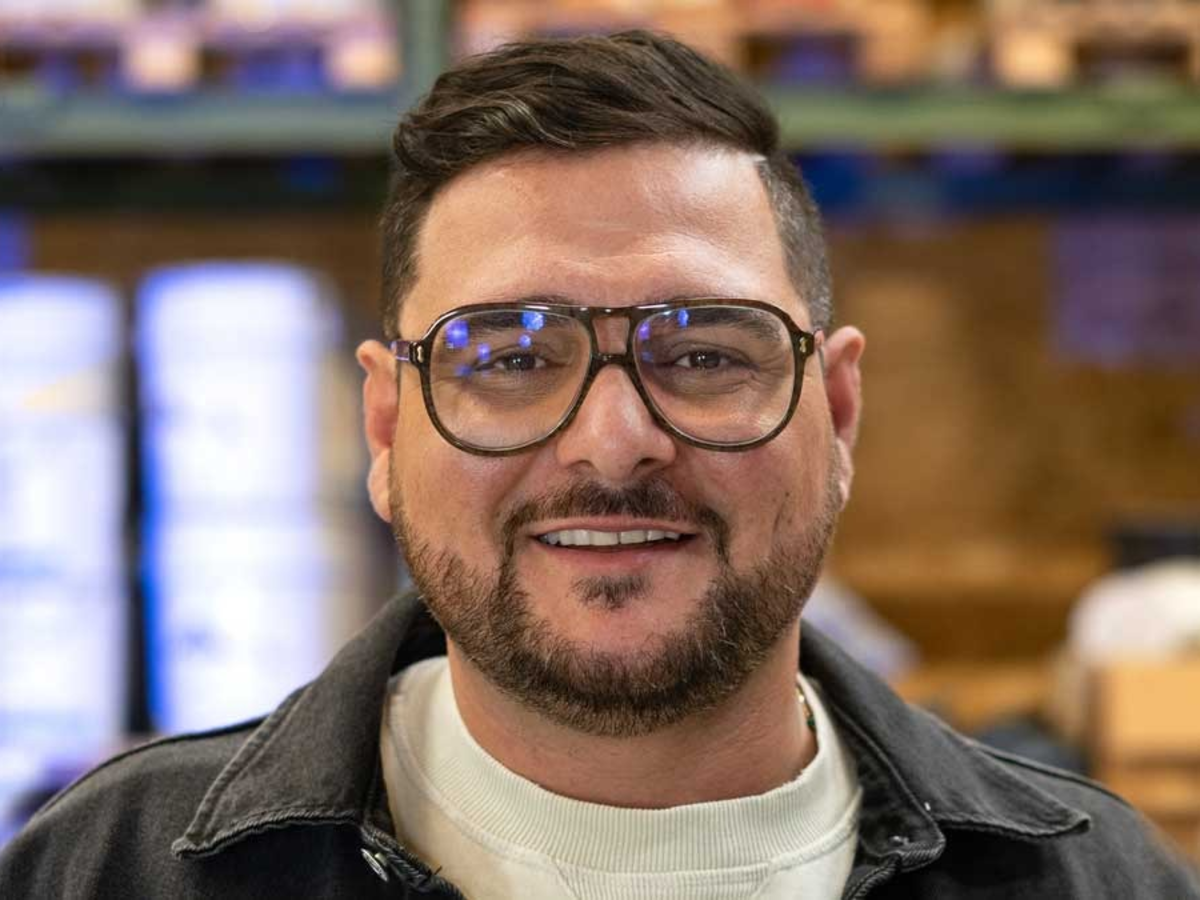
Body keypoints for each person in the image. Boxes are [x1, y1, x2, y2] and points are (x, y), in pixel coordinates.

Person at [2, 30, 1197, 900]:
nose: (614, 439)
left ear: (836, 413)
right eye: (511, 357)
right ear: (385, 428)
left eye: (704, 352)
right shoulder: (110, 872)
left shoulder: (1097, 884)